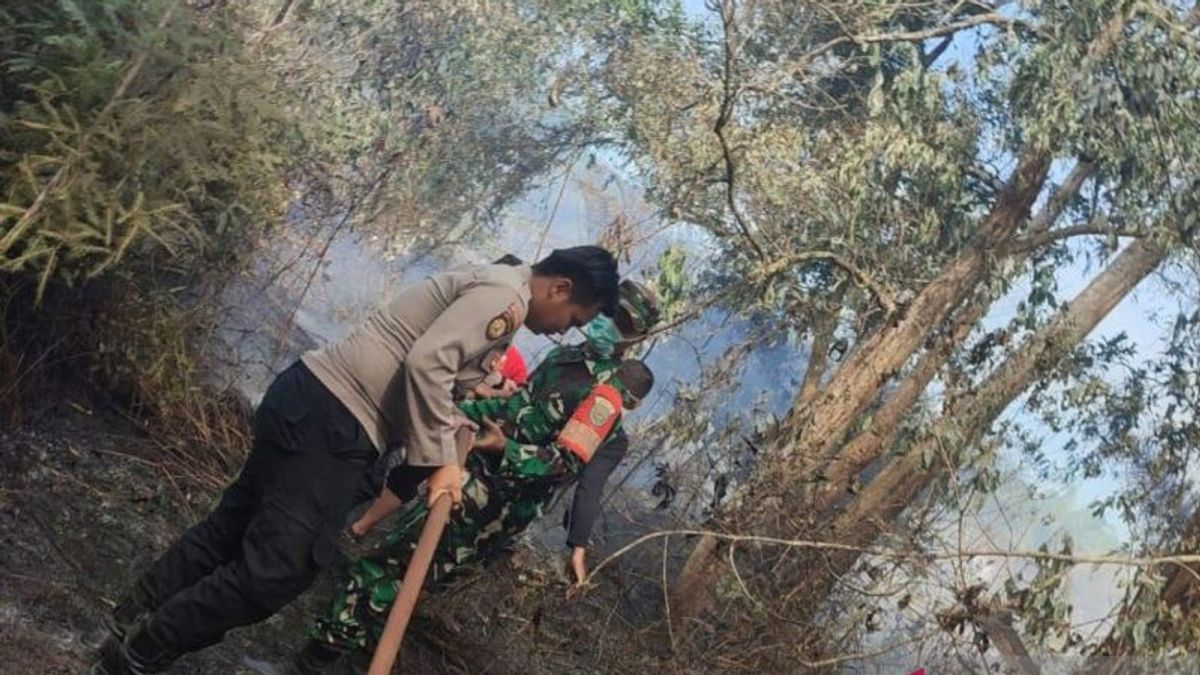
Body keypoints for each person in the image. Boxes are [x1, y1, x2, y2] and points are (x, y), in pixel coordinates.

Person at [91, 247, 620, 675]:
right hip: (337, 418)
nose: (562, 330)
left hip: (309, 393)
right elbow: (426, 364)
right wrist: (441, 462)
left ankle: (127, 620)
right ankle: (141, 652)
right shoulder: (506, 300)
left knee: (232, 526)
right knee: (280, 568)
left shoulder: (494, 280)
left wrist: (451, 420)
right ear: (560, 288)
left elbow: (436, 370)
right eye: (574, 318)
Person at [296, 357, 655, 671]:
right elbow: (581, 480)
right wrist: (577, 546)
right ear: (636, 404)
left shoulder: (587, 391)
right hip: (492, 506)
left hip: (483, 496)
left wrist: (502, 446)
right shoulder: (590, 397)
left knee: (395, 567)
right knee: (414, 574)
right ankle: (352, 650)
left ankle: (330, 649)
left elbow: (564, 463)